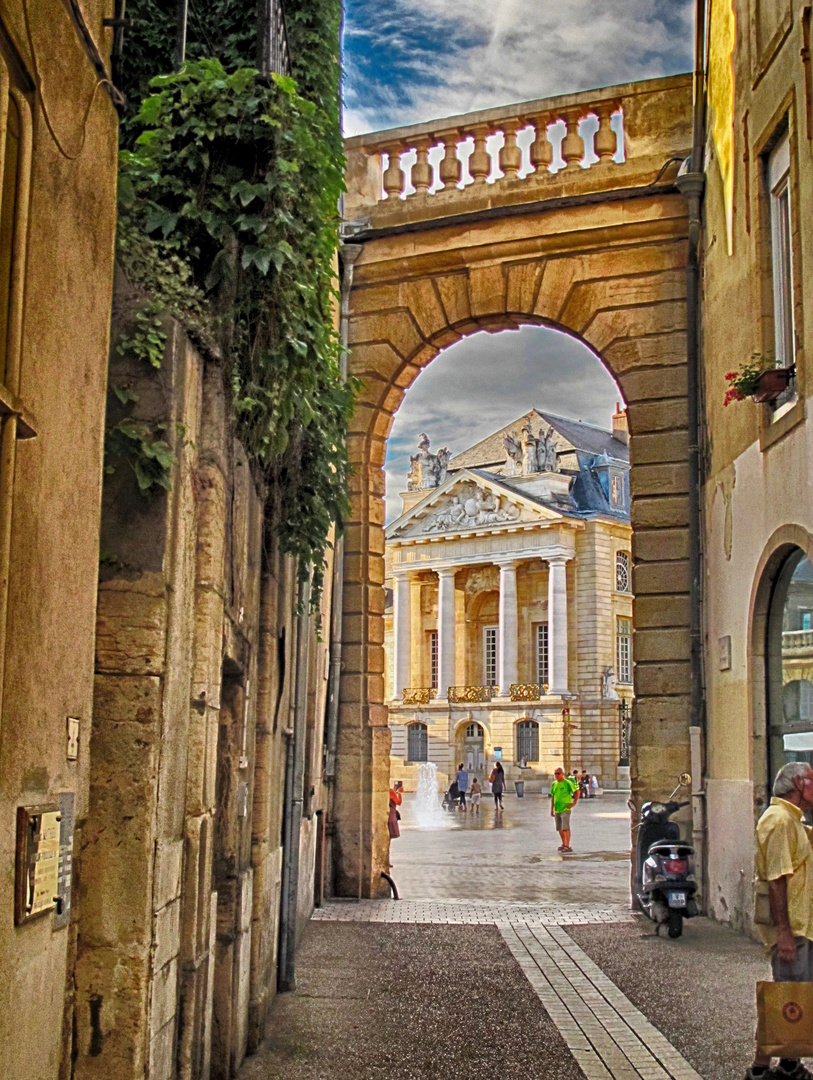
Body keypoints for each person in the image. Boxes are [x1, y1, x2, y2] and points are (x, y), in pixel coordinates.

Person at [746, 761, 813, 1080]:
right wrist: (784, 933)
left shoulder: (792, 820)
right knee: (785, 998)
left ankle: (788, 1063)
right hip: (793, 928)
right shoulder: (779, 821)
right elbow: (776, 880)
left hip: (802, 926)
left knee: (795, 997)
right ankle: (760, 1070)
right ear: (799, 783)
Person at [550, 766, 579, 853]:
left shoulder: (567, 783)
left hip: (565, 808)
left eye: (558, 773)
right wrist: (552, 809)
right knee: (559, 828)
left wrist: (574, 802)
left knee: (565, 827)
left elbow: (577, 791)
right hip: (557, 809)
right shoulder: (554, 784)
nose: (556, 775)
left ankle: (567, 845)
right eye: (555, 774)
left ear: (562, 774)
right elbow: (553, 796)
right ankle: (563, 843)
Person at [388, 781, 403, 866]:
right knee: (388, 840)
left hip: (391, 815)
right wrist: (399, 793)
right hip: (391, 816)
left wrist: (397, 792)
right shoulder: (391, 792)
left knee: (388, 839)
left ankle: (387, 859)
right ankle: (387, 860)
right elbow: (398, 802)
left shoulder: (390, 792)